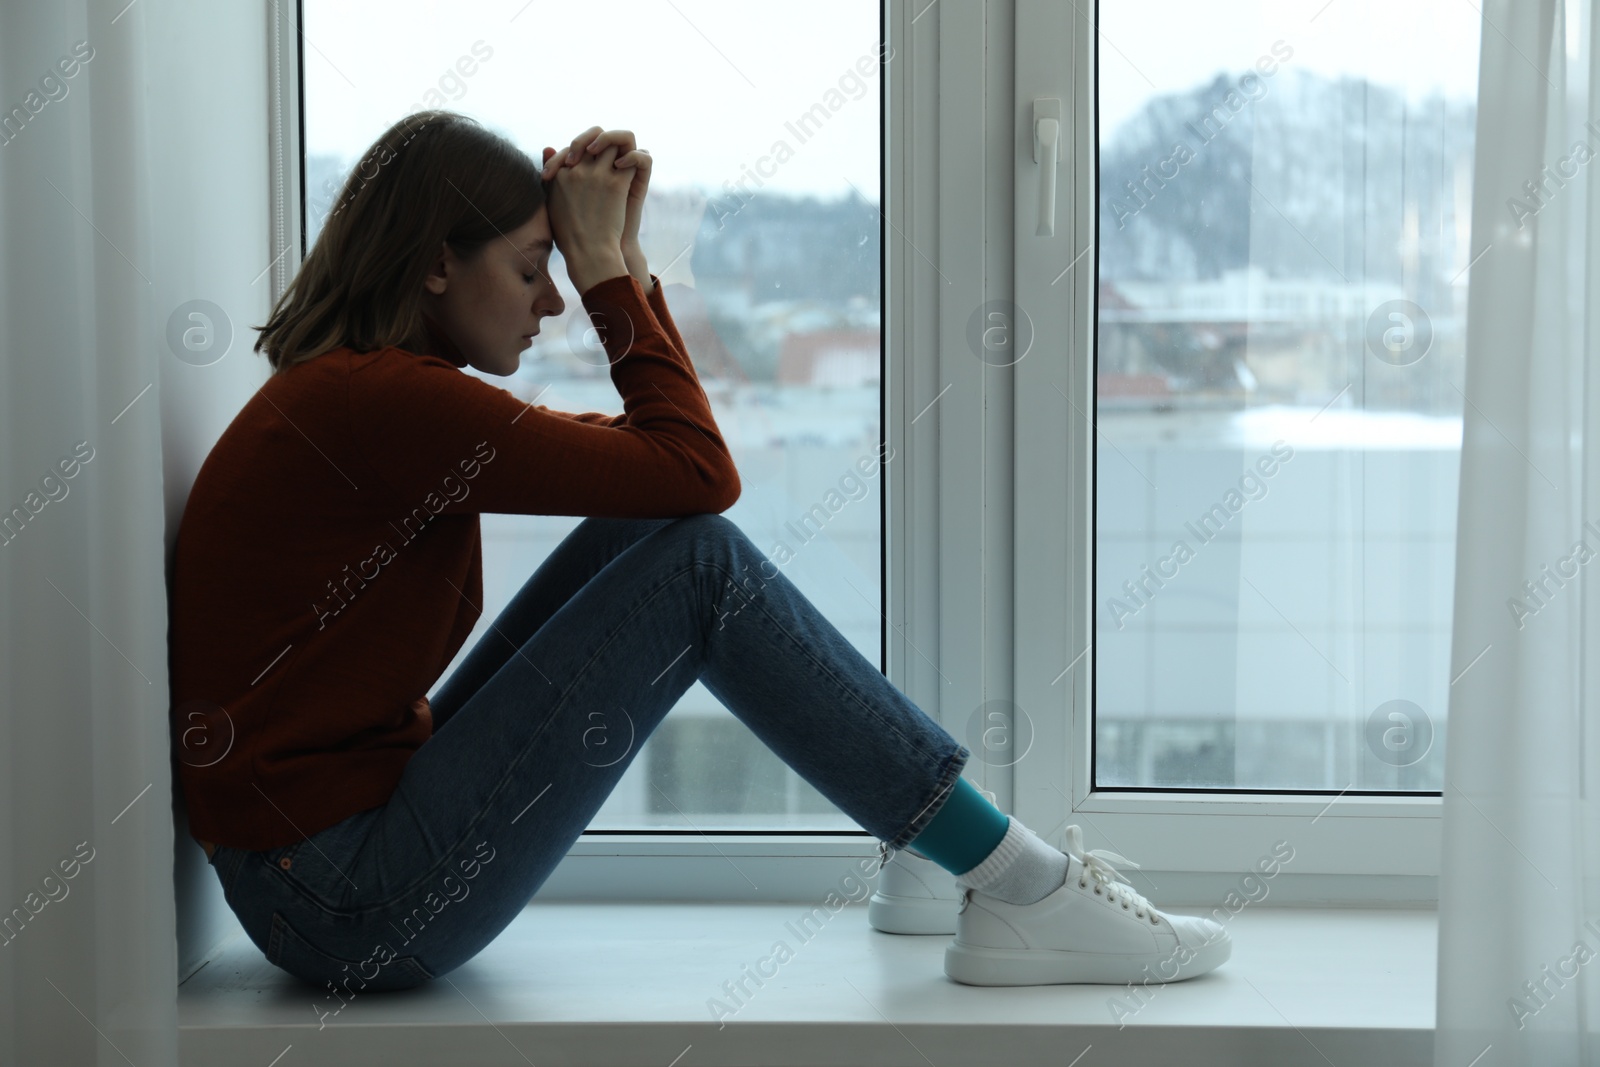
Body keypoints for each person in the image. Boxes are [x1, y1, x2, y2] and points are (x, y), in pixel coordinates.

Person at [167, 109, 1229, 998]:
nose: (548, 302)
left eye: (558, 272)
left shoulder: (366, 394)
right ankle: (1023, 888)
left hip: (320, 870)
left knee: (652, 535)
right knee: (697, 563)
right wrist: (609, 275)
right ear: (437, 262)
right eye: (535, 267)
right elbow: (698, 471)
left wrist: (616, 262)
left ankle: (941, 864)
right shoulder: (386, 404)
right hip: (346, 902)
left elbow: (659, 472)